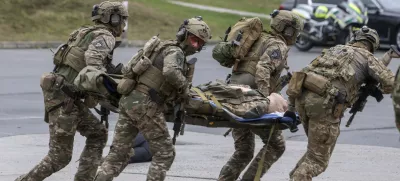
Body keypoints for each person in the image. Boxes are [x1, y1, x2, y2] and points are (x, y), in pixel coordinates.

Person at [14, 1, 128, 181]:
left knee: (98, 134)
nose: (123, 24)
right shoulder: (106, 37)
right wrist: (107, 88)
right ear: (113, 19)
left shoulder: (83, 32)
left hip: (64, 96)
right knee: (59, 157)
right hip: (65, 99)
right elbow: (93, 62)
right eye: (122, 19)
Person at [93, 16, 211, 181]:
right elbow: (170, 72)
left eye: (200, 43)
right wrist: (185, 88)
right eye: (193, 40)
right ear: (183, 34)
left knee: (118, 154)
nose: (196, 46)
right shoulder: (175, 51)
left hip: (129, 102)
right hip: (145, 106)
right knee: (165, 153)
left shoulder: (162, 47)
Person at [287, 26, 398, 181]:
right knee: (317, 160)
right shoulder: (368, 57)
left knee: (315, 152)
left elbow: (302, 73)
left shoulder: (335, 50)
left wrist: (388, 57)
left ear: (355, 39)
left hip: (303, 100)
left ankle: (296, 176)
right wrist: (381, 89)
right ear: (373, 46)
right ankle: (298, 177)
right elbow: (391, 83)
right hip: (325, 106)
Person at [216, 10, 304, 180]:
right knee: (276, 145)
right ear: (288, 30)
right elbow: (262, 69)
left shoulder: (258, 40)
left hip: (233, 96)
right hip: (252, 100)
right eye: (295, 31)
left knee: (244, 151)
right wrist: (264, 100)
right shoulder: (278, 45)